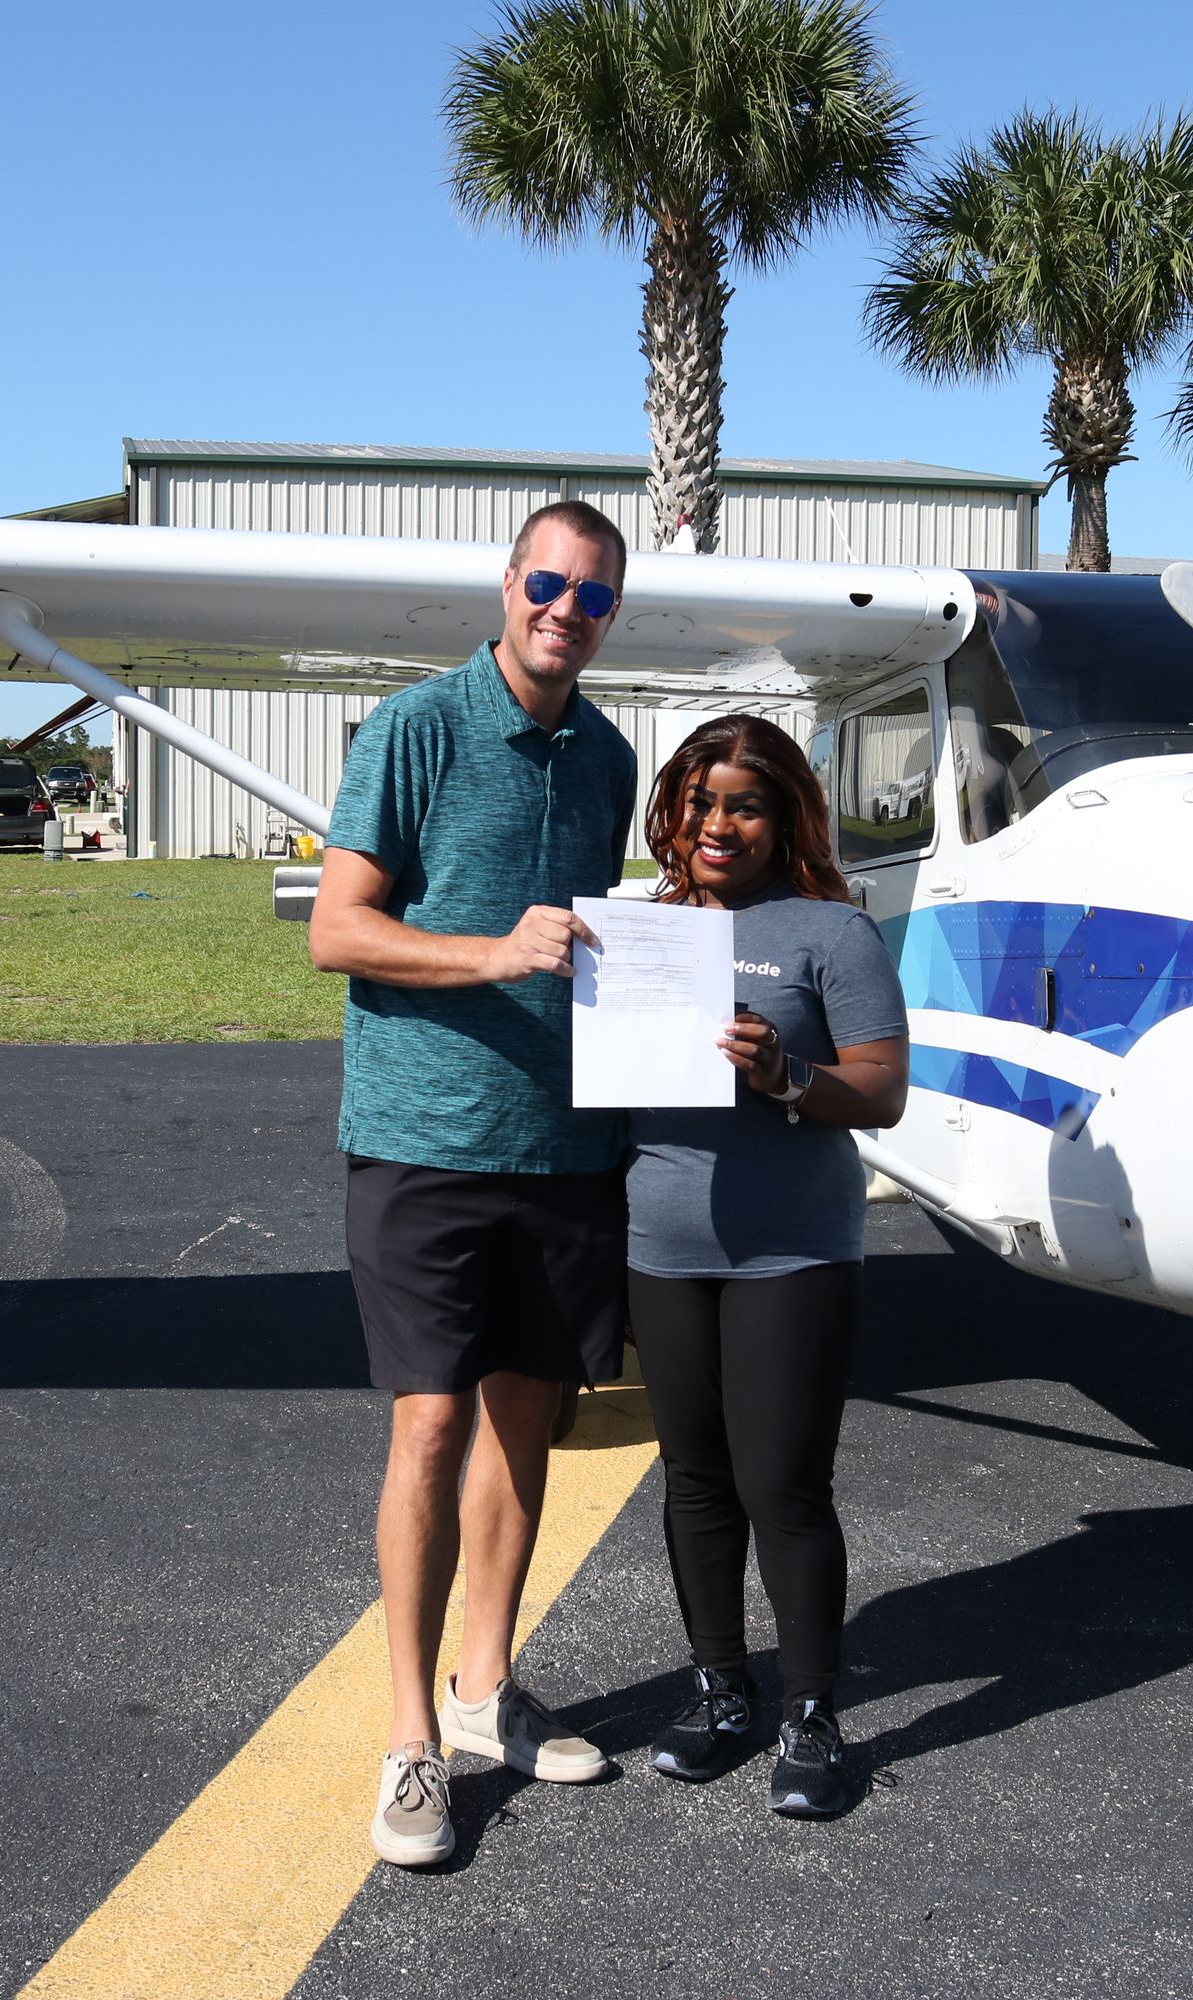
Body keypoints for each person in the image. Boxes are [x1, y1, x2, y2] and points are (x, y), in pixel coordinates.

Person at [307, 500, 641, 1869]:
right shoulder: (416, 728)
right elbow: (338, 929)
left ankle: (486, 1686)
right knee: (431, 1424)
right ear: (508, 584)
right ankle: (411, 1737)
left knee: (526, 1422)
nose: (567, 610)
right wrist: (493, 953)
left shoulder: (609, 756)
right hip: (425, 1139)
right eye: (549, 583)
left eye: (595, 596)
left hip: (565, 1148)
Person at [623, 715, 908, 1820]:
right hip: (660, 1245)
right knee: (694, 1479)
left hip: (792, 1251)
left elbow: (881, 1092)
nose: (717, 825)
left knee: (781, 1485)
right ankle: (721, 1691)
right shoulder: (637, 932)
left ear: (785, 816)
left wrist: (787, 1072)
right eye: (700, 802)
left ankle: (811, 1713)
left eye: (743, 805)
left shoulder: (832, 932)